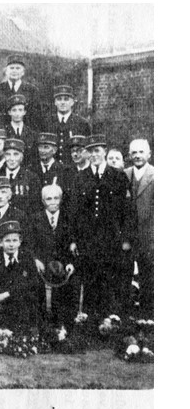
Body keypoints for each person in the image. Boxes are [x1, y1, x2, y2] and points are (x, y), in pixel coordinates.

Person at [73, 134, 134, 319]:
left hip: (111, 240)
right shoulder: (80, 177)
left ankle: (109, 322)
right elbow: (74, 212)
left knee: (110, 281)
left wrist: (126, 239)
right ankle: (91, 322)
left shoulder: (118, 176)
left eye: (97, 151)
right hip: (88, 240)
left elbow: (128, 211)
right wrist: (74, 240)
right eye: (90, 151)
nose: (94, 155)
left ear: (105, 151)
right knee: (90, 281)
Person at [27, 184, 78, 327]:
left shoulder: (69, 219)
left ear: (61, 200)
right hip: (42, 265)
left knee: (65, 297)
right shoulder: (34, 219)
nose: (53, 202)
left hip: (62, 266)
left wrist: (71, 263)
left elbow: (74, 244)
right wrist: (35, 260)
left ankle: (62, 327)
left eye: (56, 198)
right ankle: (42, 327)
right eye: (49, 199)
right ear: (43, 201)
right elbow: (29, 244)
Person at [0, 220, 40, 330]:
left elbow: (32, 284)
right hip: (0, 306)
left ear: (20, 242)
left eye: (15, 240)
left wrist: (6, 294)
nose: (11, 244)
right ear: (0, 242)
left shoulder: (27, 259)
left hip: (22, 306)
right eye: (7, 240)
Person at [125, 137, 154, 315]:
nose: (137, 155)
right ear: (129, 155)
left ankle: (148, 315)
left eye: (141, 152)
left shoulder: (156, 175)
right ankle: (126, 315)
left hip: (148, 236)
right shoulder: (124, 174)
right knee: (125, 274)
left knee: (148, 275)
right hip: (128, 237)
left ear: (149, 154)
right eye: (134, 152)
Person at [0, 54, 43, 130]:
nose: (14, 71)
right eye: (11, 68)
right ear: (6, 71)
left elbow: (36, 117)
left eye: (18, 68)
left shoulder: (32, 90)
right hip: (2, 132)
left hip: (25, 133)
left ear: (23, 72)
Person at [46, 85, 91, 164]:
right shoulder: (47, 122)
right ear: (55, 102)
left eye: (66, 99)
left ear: (72, 102)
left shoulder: (82, 123)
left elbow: (88, 150)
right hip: (53, 168)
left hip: (74, 167)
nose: (62, 102)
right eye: (59, 99)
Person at [3, 137, 42, 214]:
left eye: (16, 154)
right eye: (8, 154)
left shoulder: (31, 178)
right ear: (4, 156)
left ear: (21, 157)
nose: (11, 159)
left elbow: (36, 207)